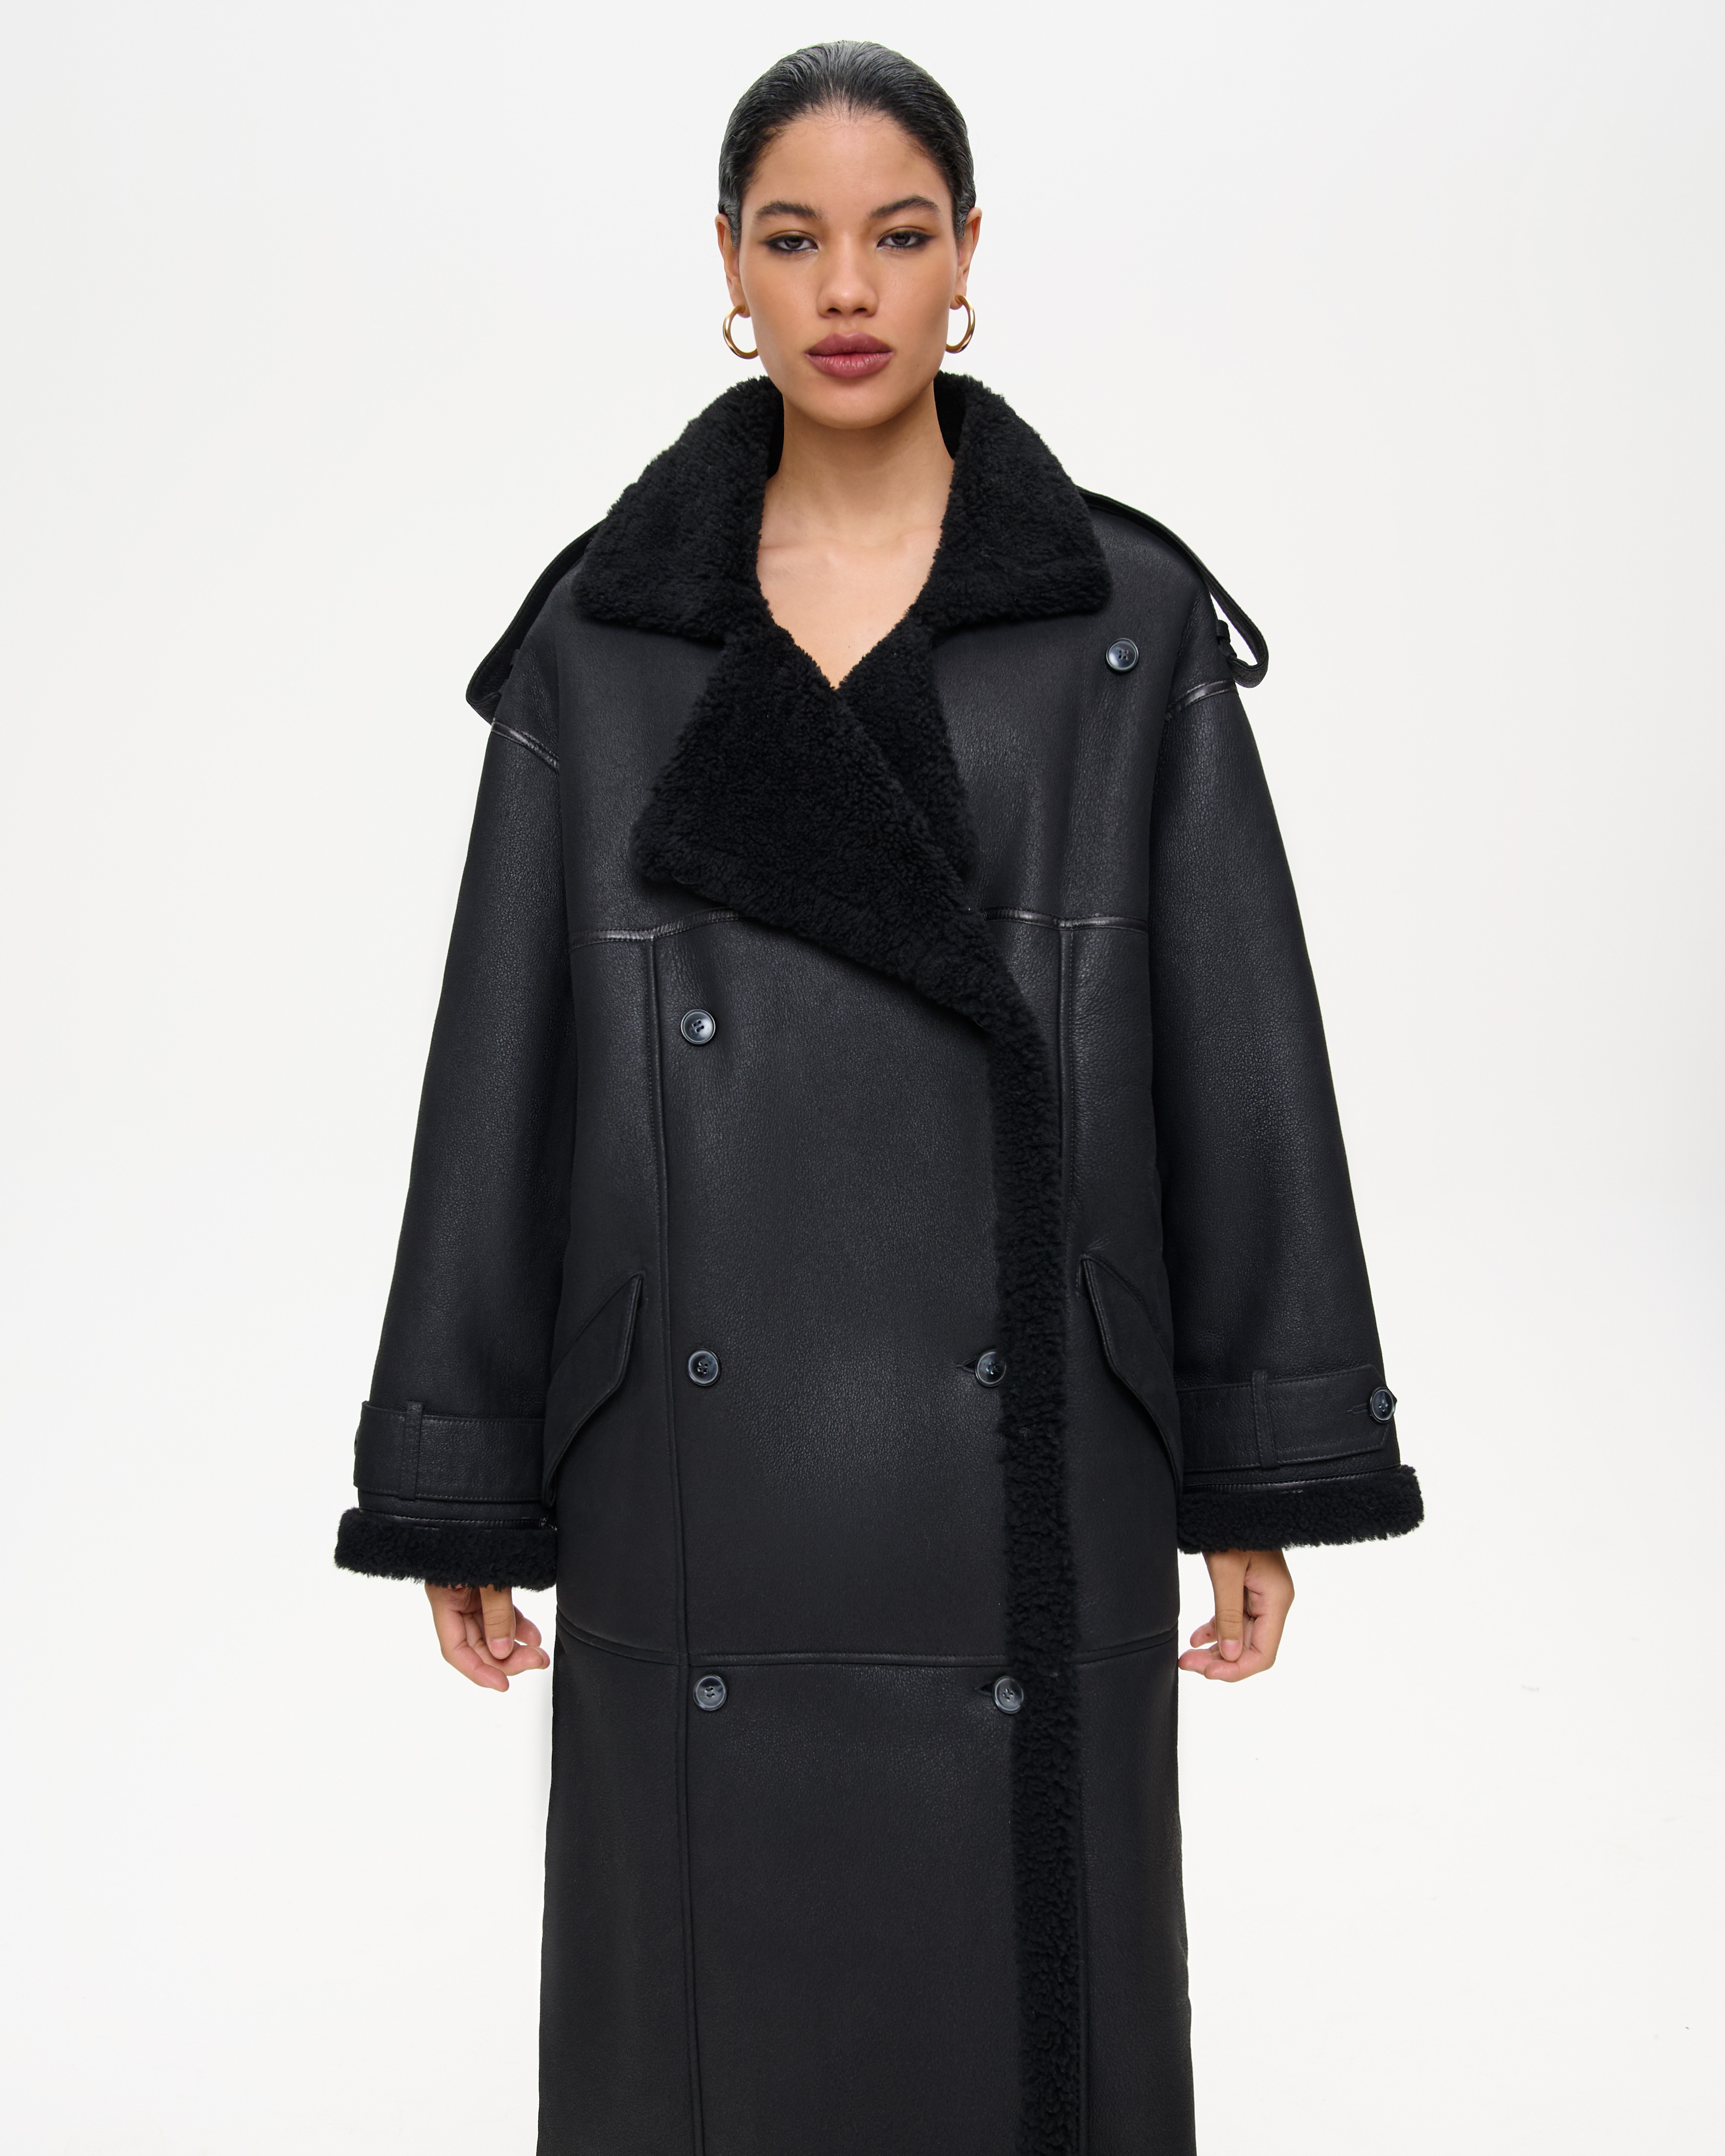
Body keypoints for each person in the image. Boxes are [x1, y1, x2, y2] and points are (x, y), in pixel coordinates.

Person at [335, 40, 1422, 2156]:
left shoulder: (1121, 627)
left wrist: (1259, 1466)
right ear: (728, 269)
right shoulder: (604, 634)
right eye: (796, 236)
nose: (848, 286)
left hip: (1035, 1460)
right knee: (703, 2044)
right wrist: (462, 1471)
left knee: (1027, 2030)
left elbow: (1240, 1047)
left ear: (969, 257)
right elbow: (501, 1066)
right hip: (685, 1477)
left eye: (899, 234)